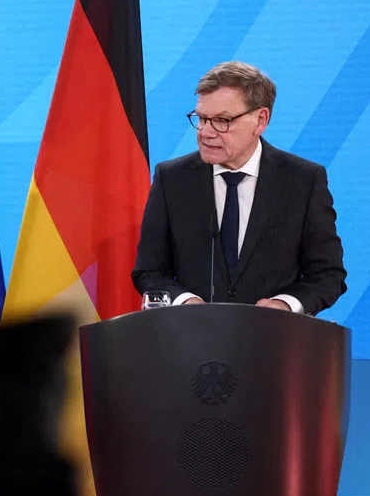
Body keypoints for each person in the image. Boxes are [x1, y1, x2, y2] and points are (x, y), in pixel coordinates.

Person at [132, 61, 346, 315]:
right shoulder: (172, 178)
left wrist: (284, 304)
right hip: (192, 343)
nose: (205, 132)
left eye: (222, 120)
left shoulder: (304, 180)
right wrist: (186, 302)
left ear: (260, 120)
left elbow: (328, 274)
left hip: (274, 343)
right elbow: (149, 271)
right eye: (201, 119)